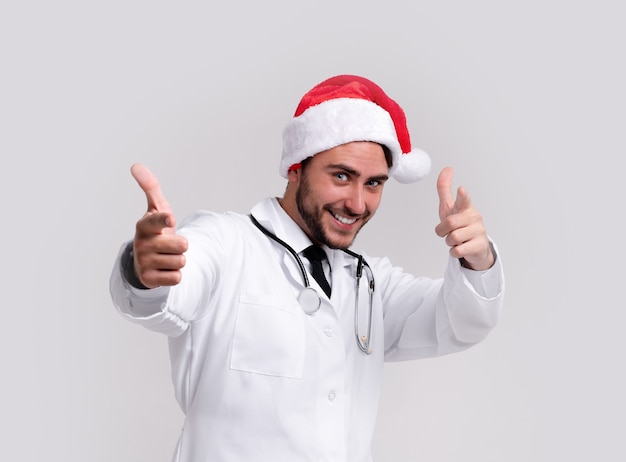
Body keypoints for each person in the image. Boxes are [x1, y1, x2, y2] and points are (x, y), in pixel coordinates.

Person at [109, 74, 504, 462]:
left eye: (374, 184)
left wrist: (477, 259)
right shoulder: (226, 243)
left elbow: (457, 324)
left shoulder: (367, 282)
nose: (357, 203)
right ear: (296, 167)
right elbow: (172, 290)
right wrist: (144, 269)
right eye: (341, 176)